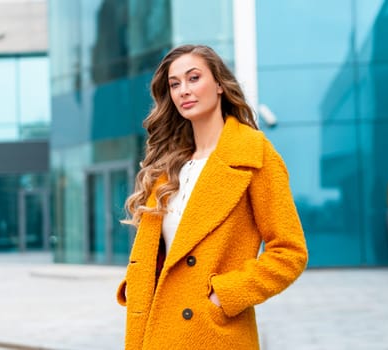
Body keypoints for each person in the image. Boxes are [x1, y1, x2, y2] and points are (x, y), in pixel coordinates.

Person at [116, 44, 307, 350]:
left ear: (219, 84)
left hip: (213, 333)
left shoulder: (253, 154)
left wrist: (224, 295)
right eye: (175, 84)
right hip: (158, 328)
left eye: (194, 78)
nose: (183, 91)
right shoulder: (168, 166)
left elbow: (290, 252)